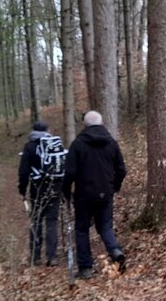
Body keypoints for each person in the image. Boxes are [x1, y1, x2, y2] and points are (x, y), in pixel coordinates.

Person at [63, 111, 127, 279]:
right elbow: (121, 170)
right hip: (105, 193)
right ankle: (115, 250)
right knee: (105, 226)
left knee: (82, 229)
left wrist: (66, 194)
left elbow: (69, 173)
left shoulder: (77, 144)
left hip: (83, 195)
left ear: (85, 125)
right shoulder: (111, 143)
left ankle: (85, 268)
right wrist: (114, 187)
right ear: (102, 123)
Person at [18, 121, 67, 266]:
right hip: (56, 187)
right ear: (47, 130)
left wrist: (22, 188)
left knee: (37, 220)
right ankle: (52, 257)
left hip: (37, 189)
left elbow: (24, 171)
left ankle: (36, 256)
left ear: (33, 131)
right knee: (52, 221)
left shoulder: (29, 147)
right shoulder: (55, 146)